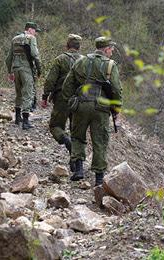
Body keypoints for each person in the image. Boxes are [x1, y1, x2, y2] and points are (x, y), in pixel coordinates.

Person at [61, 36, 123, 186]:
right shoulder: (110, 65)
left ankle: (79, 170)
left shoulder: (80, 61)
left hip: (81, 104)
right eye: (111, 48)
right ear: (106, 49)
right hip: (101, 107)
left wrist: (71, 101)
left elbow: (67, 85)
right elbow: (116, 89)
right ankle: (99, 179)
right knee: (100, 141)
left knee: (77, 136)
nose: (112, 51)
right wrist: (117, 109)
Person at [41, 34, 83, 153]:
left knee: (55, 126)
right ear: (79, 47)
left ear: (67, 45)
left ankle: (65, 139)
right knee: (76, 131)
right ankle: (75, 162)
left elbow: (50, 80)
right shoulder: (85, 61)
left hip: (62, 98)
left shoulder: (60, 59)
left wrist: (45, 96)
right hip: (79, 99)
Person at [5, 22, 42, 130]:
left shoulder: (15, 39)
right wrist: (39, 70)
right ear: (30, 29)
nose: (35, 33)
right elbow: (35, 55)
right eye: (35, 31)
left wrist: (10, 72)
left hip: (16, 69)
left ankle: (17, 118)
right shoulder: (31, 38)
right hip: (26, 69)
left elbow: (8, 58)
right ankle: (26, 121)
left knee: (19, 93)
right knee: (28, 93)